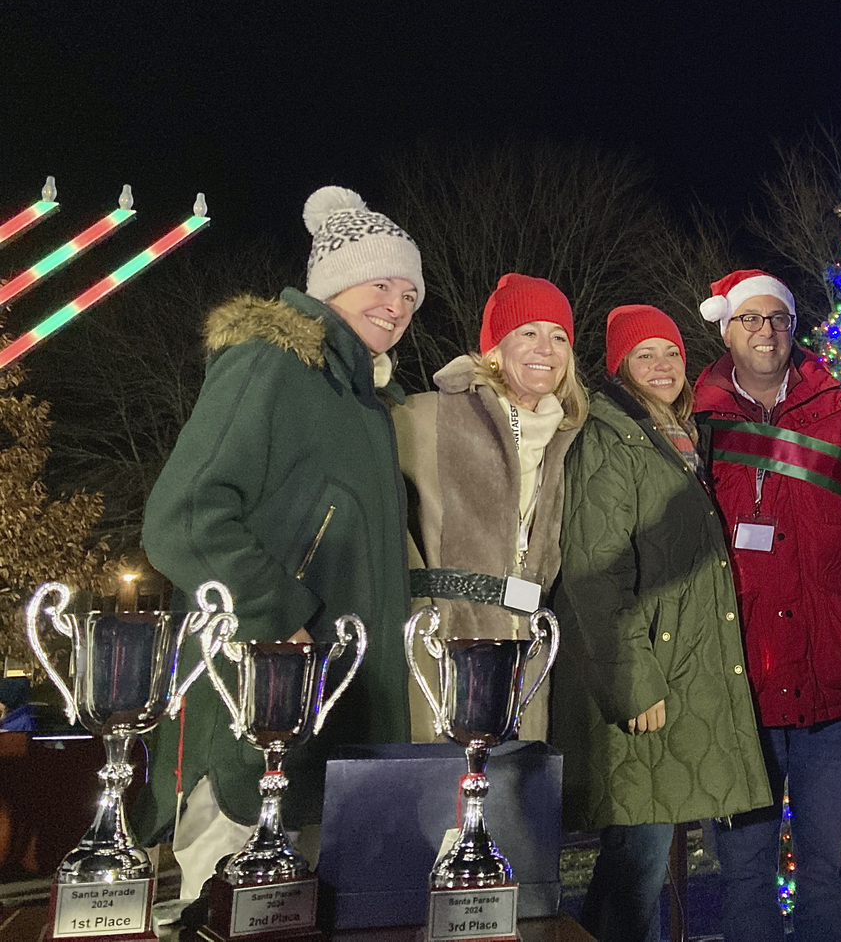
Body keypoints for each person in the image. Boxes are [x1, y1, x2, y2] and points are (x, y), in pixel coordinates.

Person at [137, 187, 423, 901]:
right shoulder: (269, 363)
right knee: (236, 913)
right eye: (380, 283)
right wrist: (278, 618)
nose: (397, 304)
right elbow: (184, 516)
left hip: (340, 724)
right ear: (331, 282)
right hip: (253, 710)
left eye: (411, 293)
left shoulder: (365, 408)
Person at [552, 305, 772, 942]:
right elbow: (596, 570)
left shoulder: (676, 439)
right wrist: (635, 681)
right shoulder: (609, 437)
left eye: (671, 354)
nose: (662, 366)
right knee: (636, 858)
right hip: (643, 681)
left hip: (674, 673)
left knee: (644, 853)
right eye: (644, 355)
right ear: (620, 365)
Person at [693, 269, 841, 942]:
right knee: (743, 871)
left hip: (834, 689)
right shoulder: (693, 422)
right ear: (726, 328)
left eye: (779, 319)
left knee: (829, 867)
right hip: (740, 694)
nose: (766, 331)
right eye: (751, 319)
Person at [394, 273, 586, 742]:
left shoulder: (571, 435)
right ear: (494, 350)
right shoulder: (421, 418)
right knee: (442, 804)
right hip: (440, 648)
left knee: (512, 802)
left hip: (527, 648)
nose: (546, 348)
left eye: (558, 336)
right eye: (528, 333)